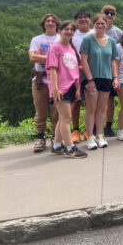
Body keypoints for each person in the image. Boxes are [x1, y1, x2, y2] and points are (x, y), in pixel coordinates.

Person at [46, 21, 87, 158]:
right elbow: (52, 69)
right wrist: (55, 89)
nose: (69, 31)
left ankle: (57, 146)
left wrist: (78, 87)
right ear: (60, 30)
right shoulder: (55, 48)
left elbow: (75, 70)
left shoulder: (71, 48)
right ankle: (70, 149)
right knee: (67, 118)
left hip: (72, 86)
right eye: (66, 29)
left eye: (71, 29)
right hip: (60, 87)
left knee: (62, 118)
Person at [80, 14, 119, 150]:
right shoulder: (87, 39)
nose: (101, 25)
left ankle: (99, 135)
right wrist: (90, 79)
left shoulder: (111, 41)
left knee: (102, 108)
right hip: (92, 78)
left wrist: (115, 77)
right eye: (98, 23)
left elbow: (113, 60)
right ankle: (90, 136)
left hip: (106, 78)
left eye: (103, 23)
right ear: (94, 24)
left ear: (106, 24)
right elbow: (84, 61)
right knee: (91, 108)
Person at [29, 14, 61, 153]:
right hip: (40, 80)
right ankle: (40, 137)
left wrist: (41, 56)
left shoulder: (61, 39)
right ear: (43, 24)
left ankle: (55, 136)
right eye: (48, 21)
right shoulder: (37, 39)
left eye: (53, 21)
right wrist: (53, 58)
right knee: (40, 111)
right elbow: (32, 58)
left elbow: (64, 58)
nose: (50, 23)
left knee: (56, 112)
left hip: (57, 80)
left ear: (57, 24)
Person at [71, 8, 93, 143]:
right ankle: (75, 130)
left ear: (90, 19)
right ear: (76, 20)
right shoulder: (72, 35)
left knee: (90, 102)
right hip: (75, 72)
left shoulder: (95, 33)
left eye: (85, 17)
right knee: (76, 101)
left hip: (92, 72)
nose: (83, 19)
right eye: (80, 17)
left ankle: (88, 129)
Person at [102, 5, 123, 137]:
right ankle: (96, 127)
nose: (109, 15)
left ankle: (108, 126)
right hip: (99, 70)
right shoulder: (95, 31)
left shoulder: (119, 33)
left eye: (112, 13)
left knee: (111, 99)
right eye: (107, 13)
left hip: (115, 70)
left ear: (115, 16)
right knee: (99, 100)